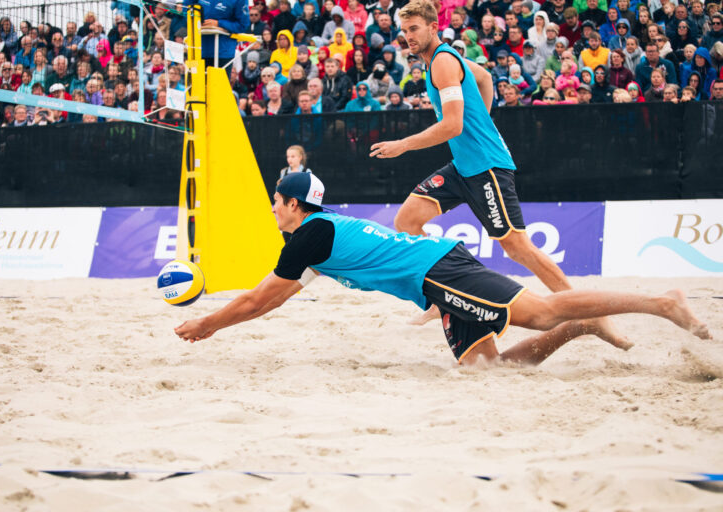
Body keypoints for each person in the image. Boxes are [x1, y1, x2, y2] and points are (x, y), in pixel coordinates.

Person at [174, 172, 711, 367]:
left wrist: (207, 324)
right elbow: (276, 296)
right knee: (487, 370)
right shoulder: (321, 237)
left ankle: (663, 303)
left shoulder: (309, 236)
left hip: (440, 273)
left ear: (294, 205)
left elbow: (258, 301)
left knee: (541, 312)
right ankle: (584, 325)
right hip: (436, 280)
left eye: (275, 202)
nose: (272, 210)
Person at [368, 0, 627, 341]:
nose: (408, 36)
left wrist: (403, 144)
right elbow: (486, 77)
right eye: (404, 31)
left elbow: (453, 126)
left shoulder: (443, 62)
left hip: (487, 167)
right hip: (464, 166)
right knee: (407, 221)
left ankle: (592, 316)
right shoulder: (446, 59)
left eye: (414, 29)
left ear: (433, 27)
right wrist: (485, 121)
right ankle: (439, 296)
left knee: (518, 248)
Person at [186, 0, 250, 75]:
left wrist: (219, 23)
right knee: (194, 85)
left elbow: (243, 25)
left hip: (222, 53)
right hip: (196, 50)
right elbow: (185, 11)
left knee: (218, 86)